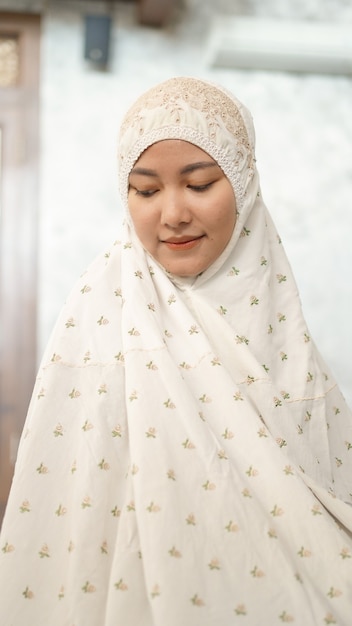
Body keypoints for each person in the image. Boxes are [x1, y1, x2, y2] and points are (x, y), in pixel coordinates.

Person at [0, 76, 351, 626]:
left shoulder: (291, 347)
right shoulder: (96, 320)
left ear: (245, 185)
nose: (172, 214)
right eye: (145, 191)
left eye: (201, 183)